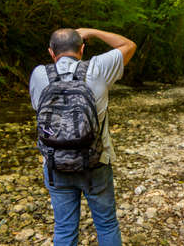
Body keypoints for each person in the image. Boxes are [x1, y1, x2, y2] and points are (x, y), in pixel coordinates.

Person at [29, 28, 136, 246]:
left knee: (64, 229)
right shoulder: (98, 68)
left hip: (55, 165)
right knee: (106, 224)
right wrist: (92, 32)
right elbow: (128, 45)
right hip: (95, 162)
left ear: (51, 52)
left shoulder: (39, 74)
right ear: (82, 49)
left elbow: (38, 111)